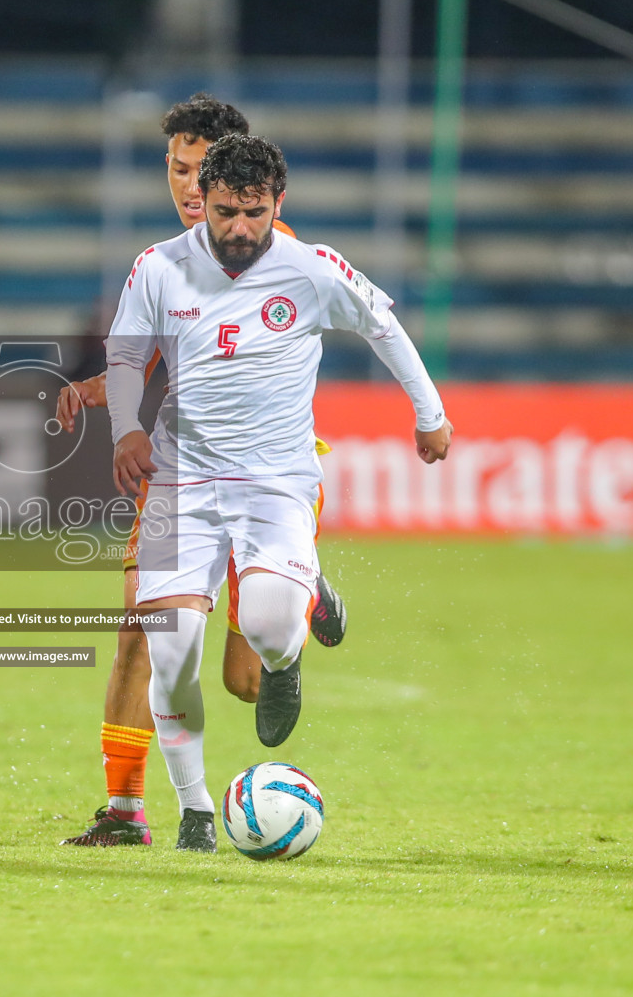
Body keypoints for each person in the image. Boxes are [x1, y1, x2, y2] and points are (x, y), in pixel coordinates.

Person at [104, 134, 451, 851]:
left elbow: (383, 326)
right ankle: (195, 811)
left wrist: (430, 413)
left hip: (274, 484)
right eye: (225, 212)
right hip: (181, 481)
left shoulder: (312, 268)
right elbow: (126, 355)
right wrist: (125, 431)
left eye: (253, 214)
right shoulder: (159, 267)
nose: (237, 229)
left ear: (276, 205)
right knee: (170, 649)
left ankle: (287, 656)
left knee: (260, 634)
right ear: (207, 204)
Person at [59, 94, 347, 847]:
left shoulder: (275, 253)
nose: (186, 187)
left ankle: (301, 589)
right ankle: (125, 812)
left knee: (244, 682)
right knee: (140, 628)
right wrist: (91, 392)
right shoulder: (167, 263)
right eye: (175, 170)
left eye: (199, 172)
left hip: (269, 481)